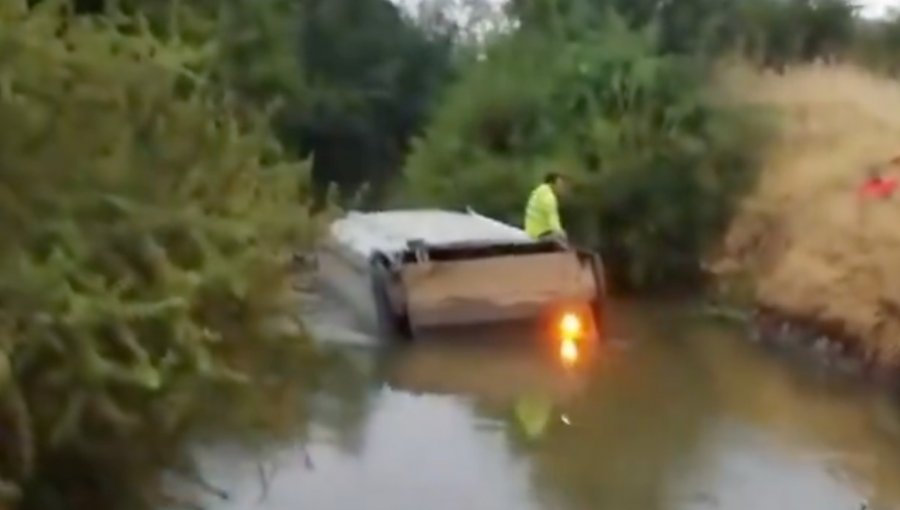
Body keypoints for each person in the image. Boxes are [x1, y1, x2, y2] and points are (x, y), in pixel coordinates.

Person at [524, 172, 568, 244]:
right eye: (560, 184)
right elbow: (554, 222)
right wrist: (562, 234)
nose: (561, 187)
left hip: (531, 231)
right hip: (541, 234)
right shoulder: (549, 198)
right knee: (563, 241)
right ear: (552, 184)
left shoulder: (538, 191)